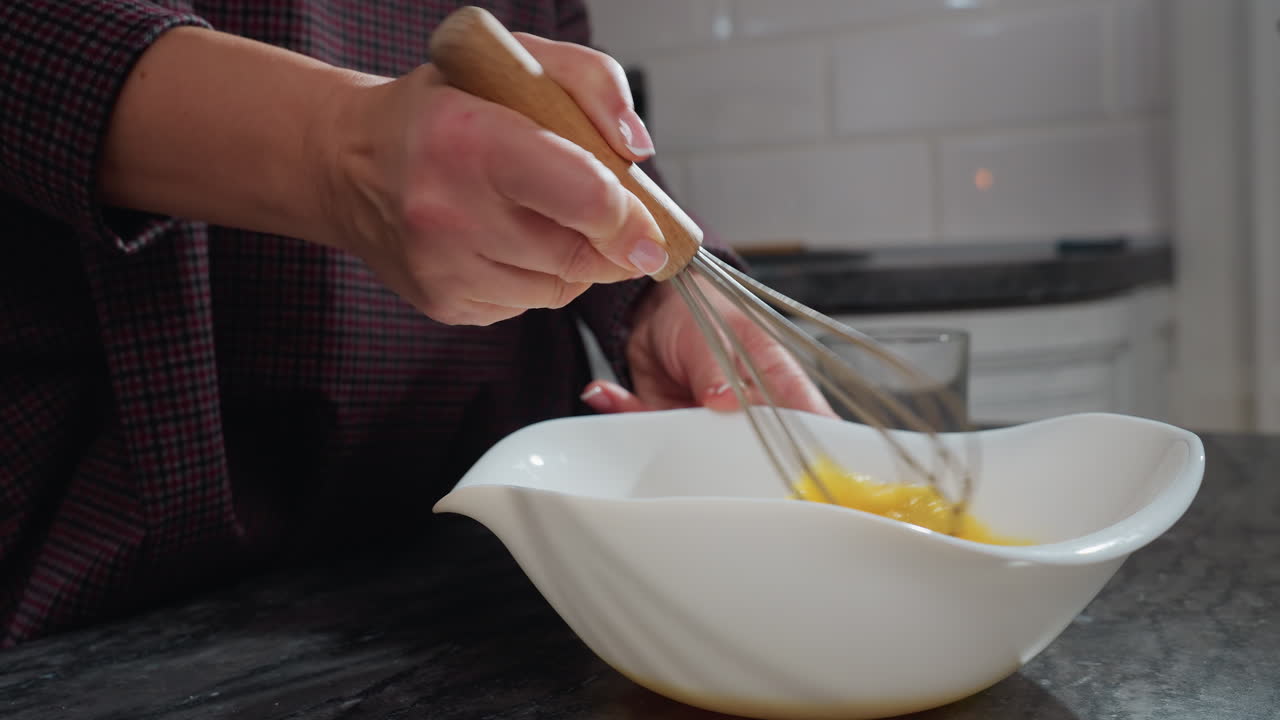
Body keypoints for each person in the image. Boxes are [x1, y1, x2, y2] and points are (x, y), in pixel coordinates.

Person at [0, 0, 830, 647]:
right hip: (102, 570)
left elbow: (567, 119)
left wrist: (657, 298)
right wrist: (335, 150)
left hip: (485, 579)